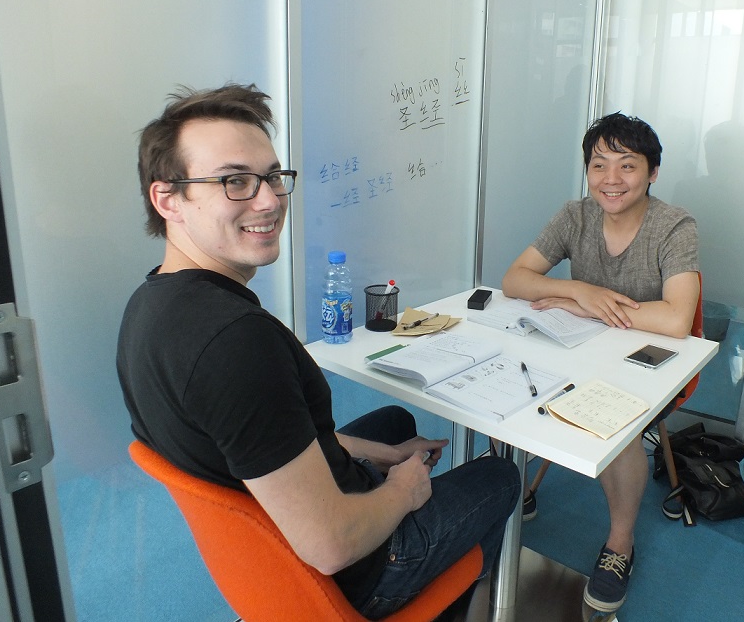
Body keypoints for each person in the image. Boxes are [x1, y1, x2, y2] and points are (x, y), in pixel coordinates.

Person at [117, 83, 520, 620]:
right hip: (356, 567)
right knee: (499, 477)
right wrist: (402, 491)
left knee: (395, 422)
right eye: (235, 182)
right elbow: (330, 544)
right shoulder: (235, 344)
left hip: (269, 530)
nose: (268, 200)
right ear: (168, 199)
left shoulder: (152, 303)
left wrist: (381, 457)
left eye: (272, 178)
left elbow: (266, 440)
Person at [502, 111, 699, 615]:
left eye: (627, 166)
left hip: (652, 365)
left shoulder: (674, 225)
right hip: (582, 350)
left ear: (652, 172)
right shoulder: (575, 216)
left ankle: (619, 543)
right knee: (511, 378)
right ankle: (504, 489)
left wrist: (581, 305)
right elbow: (516, 280)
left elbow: (678, 319)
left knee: (621, 424)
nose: (610, 180)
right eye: (599, 165)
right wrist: (576, 290)